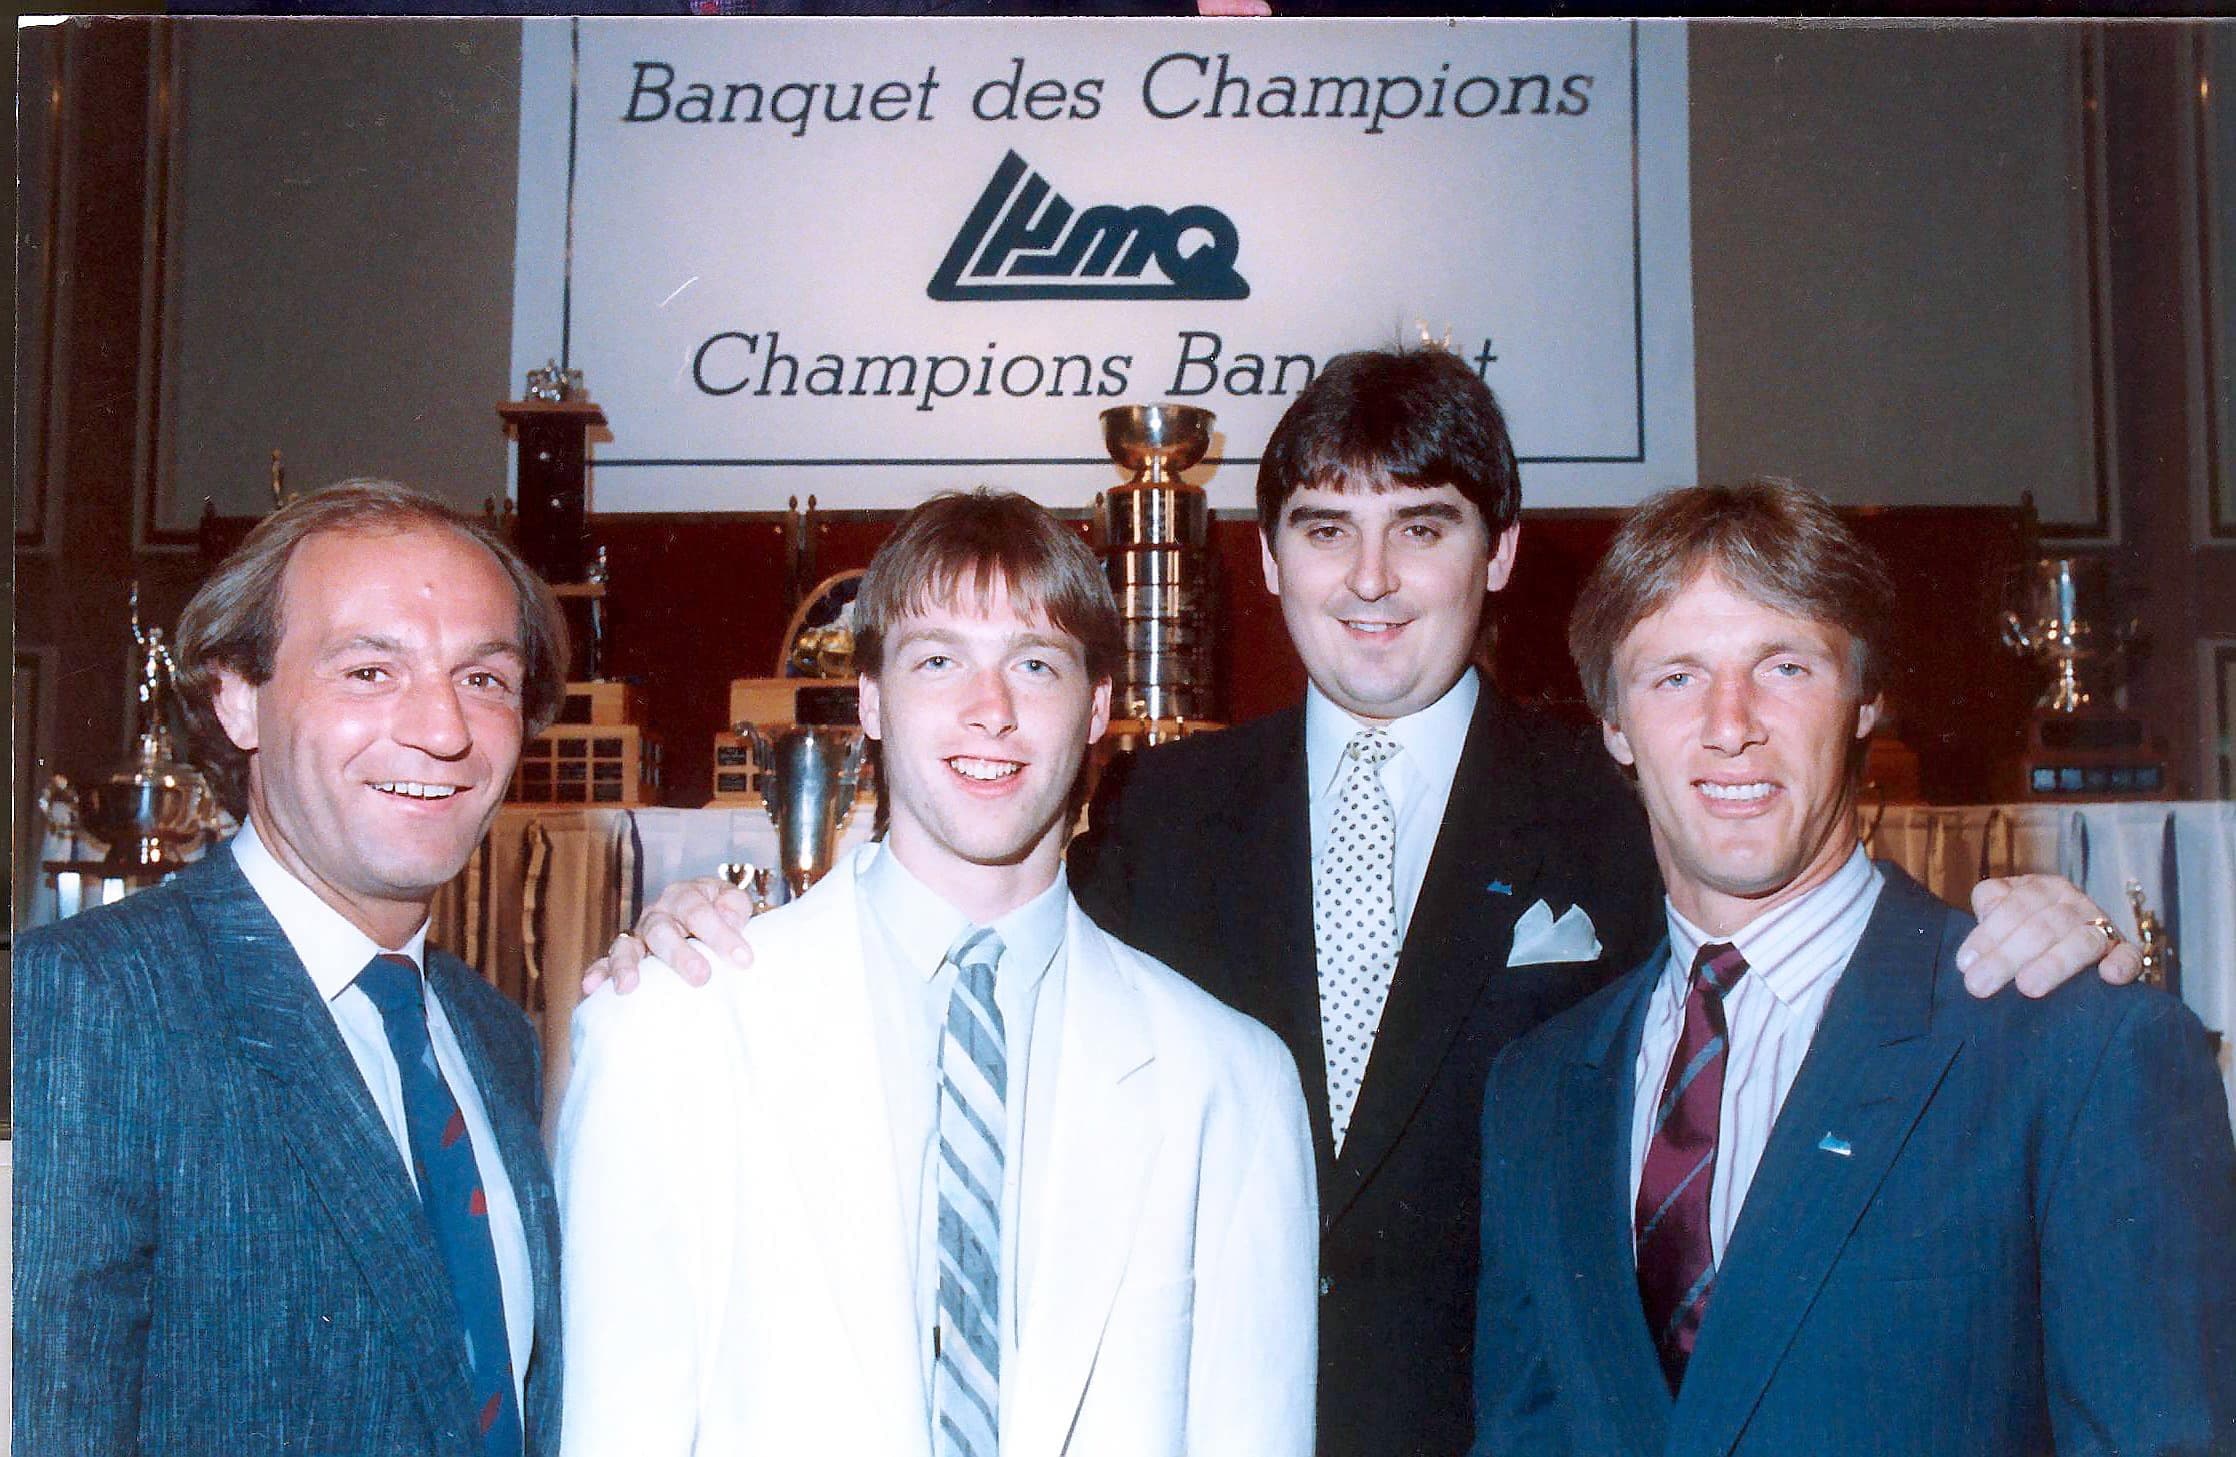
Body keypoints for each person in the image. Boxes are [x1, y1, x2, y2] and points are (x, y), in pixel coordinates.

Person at [591, 348, 2139, 1456]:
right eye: (1327, 530)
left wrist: (2053, 923)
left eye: (1426, 527)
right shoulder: (1142, 810)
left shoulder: (1627, 795)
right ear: (1264, 564)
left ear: (1505, 553)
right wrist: (698, 921)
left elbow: (1805, 927)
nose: (1374, 578)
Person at [1471, 480, 2236, 1455]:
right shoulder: (1539, 1088)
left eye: (1785, 666)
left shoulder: (2075, 1046)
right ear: (1614, 722)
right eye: (1674, 676)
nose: (1730, 720)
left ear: (1867, 697)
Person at [556, 489, 1317, 1455]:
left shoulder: (1229, 1079)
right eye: (939, 659)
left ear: (1098, 710)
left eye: (1034, 664)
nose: (988, 709)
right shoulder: (672, 1030)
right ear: (869, 699)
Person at [13, 481, 570, 1456]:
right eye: (368, 670)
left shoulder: (493, 1036)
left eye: (483, 678)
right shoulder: (91, 1000)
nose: (443, 728)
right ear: (238, 698)